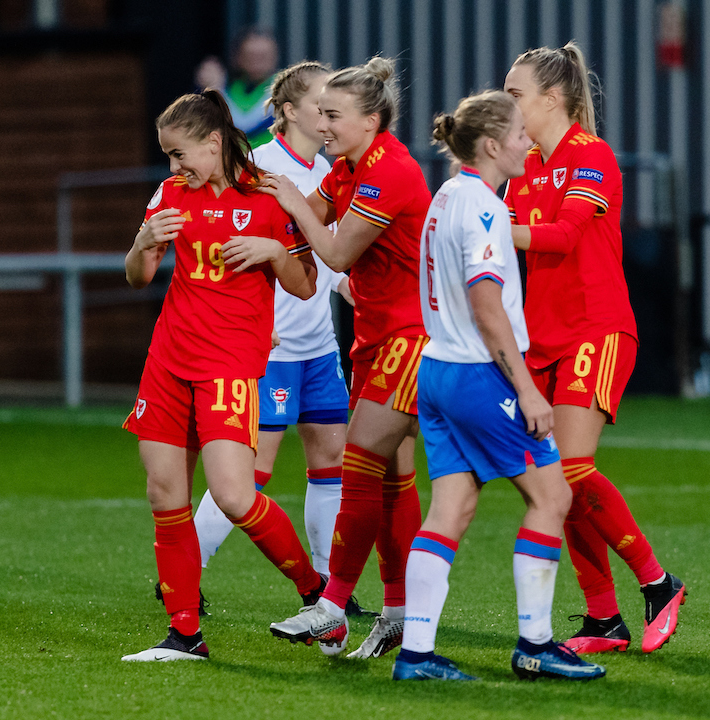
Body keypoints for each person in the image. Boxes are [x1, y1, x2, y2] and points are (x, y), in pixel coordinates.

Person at [392, 91, 605, 682]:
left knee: (451, 509)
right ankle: (535, 644)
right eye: (516, 133)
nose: (526, 142)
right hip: (476, 375)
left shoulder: (447, 198)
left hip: (435, 371)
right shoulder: (485, 208)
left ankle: (416, 656)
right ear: (491, 145)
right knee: (552, 496)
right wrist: (528, 389)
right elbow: (488, 305)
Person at [120, 88, 322, 662]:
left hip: (229, 362)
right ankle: (185, 633)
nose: (173, 167)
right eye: (168, 156)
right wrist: (141, 245)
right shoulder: (170, 194)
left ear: (214, 143)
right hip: (169, 357)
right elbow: (139, 276)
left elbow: (306, 284)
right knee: (165, 492)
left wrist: (273, 252)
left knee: (234, 495)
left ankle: (316, 595)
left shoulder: (269, 195)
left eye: (180, 154)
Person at [503, 42, 686, 655]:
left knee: (572, 470)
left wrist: (486, 223)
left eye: (514, 94)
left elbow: (560, 236)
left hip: (596, 329)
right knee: (553, 484)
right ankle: (602, 619)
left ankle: (658, 584)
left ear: (551, 100)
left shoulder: (593, 156)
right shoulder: (523, 166)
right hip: (542, 339)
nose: (507, 104)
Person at [264, 56, 431, 658]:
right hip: (374, 336)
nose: (324, 125)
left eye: (334, 115)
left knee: (359, 463)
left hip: (414, 338)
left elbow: (333, 252)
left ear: (372, 119)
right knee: (390, 479)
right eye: (321, 112)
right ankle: (400, 614)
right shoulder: (348, 168)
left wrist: (289, 202)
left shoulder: (391, 171)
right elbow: (303, 227)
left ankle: (331, 607)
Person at [191, 61, 370, 621]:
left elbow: (329, 254)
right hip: (265, 351)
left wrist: (355, 294)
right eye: (320, 103)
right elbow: (224, 250)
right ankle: (182, 573)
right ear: (289, 111)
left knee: (331, 459)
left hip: (318, 348)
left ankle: (327, 590)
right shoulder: (256, 171)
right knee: (247, 475)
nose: (328, 114)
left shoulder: (329, 172)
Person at [195, 27, 279, 148]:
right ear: (238, 57)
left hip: (267, 164)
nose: (257, 63)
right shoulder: (232, 88)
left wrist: (215, 90)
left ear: (274, 57)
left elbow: (244, 126)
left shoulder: (285, 89)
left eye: (263, 56)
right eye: (251, 56)